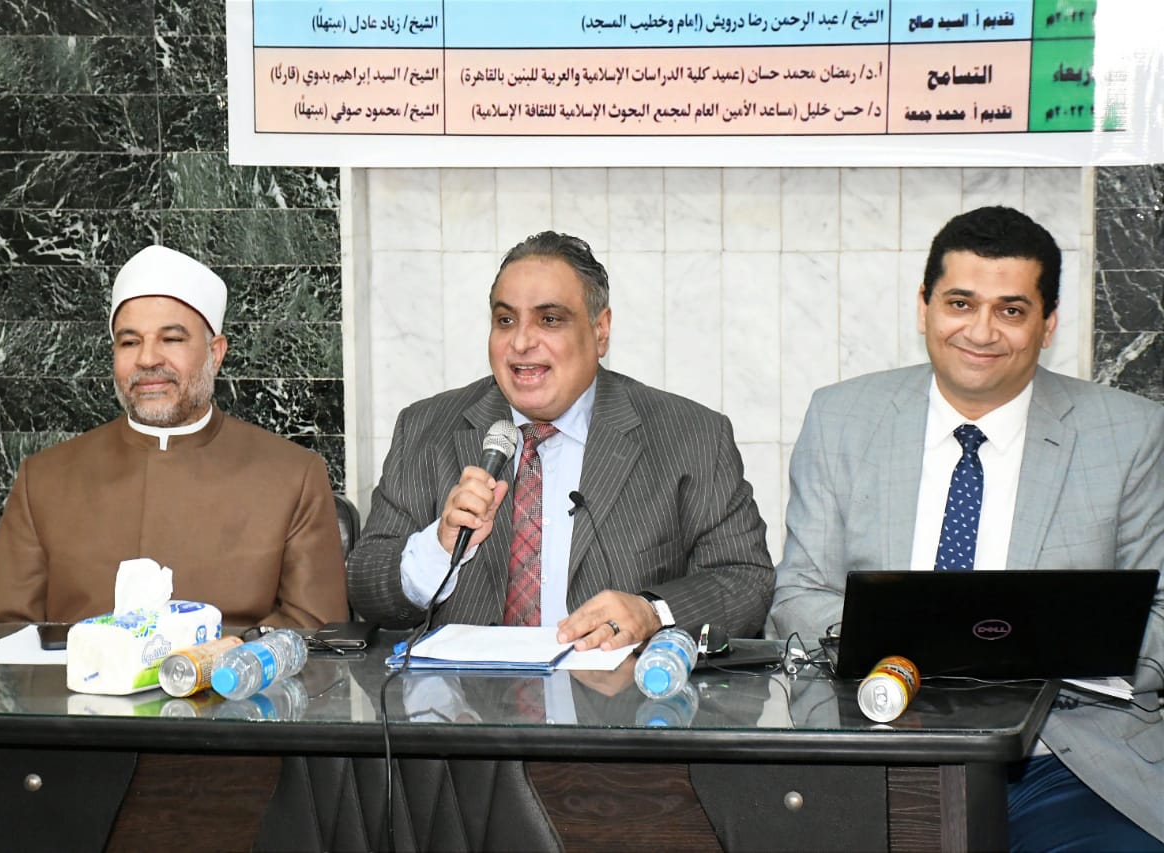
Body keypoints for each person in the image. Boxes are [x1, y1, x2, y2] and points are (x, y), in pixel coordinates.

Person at [768, 206, 1164, 848]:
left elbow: (1161, 617)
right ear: (923, 307)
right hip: (876, 744)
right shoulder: (841, 417)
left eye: (1011, 310)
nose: (981, 331)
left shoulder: (1130, 433)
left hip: (1067, 760)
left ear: (1047, 324)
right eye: (960, 303)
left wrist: (1057, 648)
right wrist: (919, 644)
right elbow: (798, 595)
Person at [348, 231, 773, 650]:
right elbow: (366, 587)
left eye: (549, 319)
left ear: (600, 331)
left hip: (623, 690)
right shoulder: (426, 429)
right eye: (505, 320)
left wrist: (652, 613)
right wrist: (438, 549)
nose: (521, 342)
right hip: (463, 691)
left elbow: (745, 581)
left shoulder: (692, 437)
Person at [0, 245, 348, 632]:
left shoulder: (292, 476)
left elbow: (316, 629)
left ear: (215, 354)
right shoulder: (45, 478)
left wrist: (227, 655)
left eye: (171, 339)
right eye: (130, 342)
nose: (147, 359)